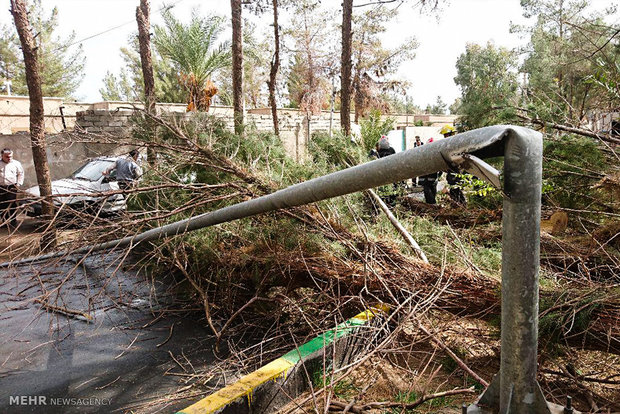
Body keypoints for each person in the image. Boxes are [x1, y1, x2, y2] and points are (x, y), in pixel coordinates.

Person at [441, 124, 467, 205]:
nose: (445, 137)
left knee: (455, 189)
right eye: (444, 135)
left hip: (457, 171)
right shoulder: (447, 145)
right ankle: (460, 205)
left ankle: (461, 205)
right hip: (452, 171)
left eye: (446, 135)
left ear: (452, 134)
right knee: (453, 189)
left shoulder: (456, 144)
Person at [0, 148, 25, 228]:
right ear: (2, 156)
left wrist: (18, 184)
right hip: (1, 187)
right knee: (2, 205)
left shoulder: (16, 163)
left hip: (12, 187)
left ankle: (12, 221)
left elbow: (21, 174)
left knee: (12, 204)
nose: (9, 158)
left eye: (10, 156)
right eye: (6, 157)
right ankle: (4, 222)